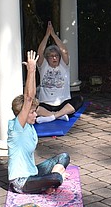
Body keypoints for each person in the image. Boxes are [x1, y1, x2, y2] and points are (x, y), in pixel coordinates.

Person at [8, 50, 71, 194]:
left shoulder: (29, 126)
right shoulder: (17, 128)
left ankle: (50, 183)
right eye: (32, 112)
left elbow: (33, 97)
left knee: (64, 157)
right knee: (56, 176)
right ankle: (53, 181)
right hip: (22, 182)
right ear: (21, 114)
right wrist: (31, 70)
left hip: (34, 174)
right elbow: (28, 98)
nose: (36, 114)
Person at [34, 21, 82, 124]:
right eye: (51, 56)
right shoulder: (43, 66)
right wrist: (47, 35)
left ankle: (51, 116)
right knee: (33, 107)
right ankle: (59, 116)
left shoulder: (64, 66)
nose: (54, 58)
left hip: (62, 103)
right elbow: (39, 52)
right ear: (47, 58)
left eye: (56, 55)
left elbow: (64, 51)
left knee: (79, 100)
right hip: (45, 103)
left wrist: (54, 36)